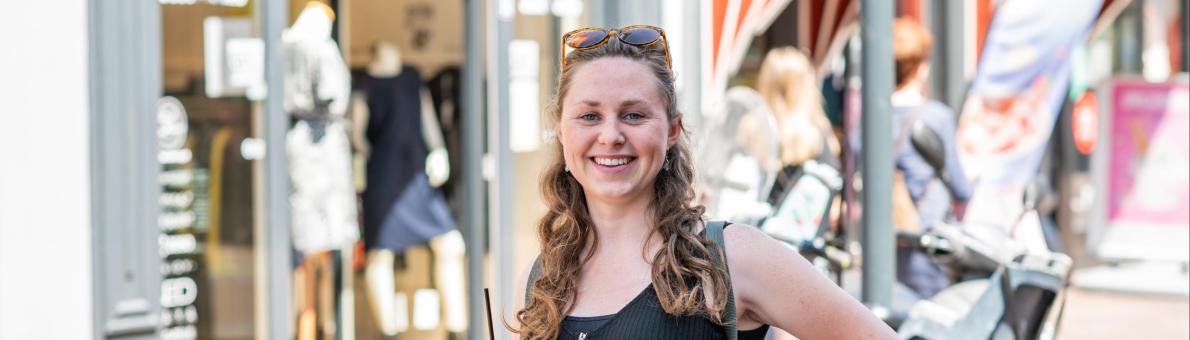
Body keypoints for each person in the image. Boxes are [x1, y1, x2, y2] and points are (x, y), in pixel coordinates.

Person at [510, 25, 895, 340]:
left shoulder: (732, 257)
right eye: (589, 117)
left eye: (633, 115)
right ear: (561, 130)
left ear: (673, 129)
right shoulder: (540, 280)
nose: (610, 135)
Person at [851, 18, 973, 299]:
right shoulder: (936, 117)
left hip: (881, 247)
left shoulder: (867, 120)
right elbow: (961, 188)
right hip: (927, 243)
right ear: (919, 68)